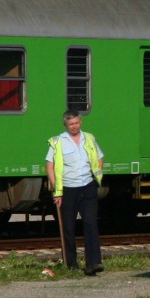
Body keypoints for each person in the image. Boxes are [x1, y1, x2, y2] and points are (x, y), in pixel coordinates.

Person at [45, 110, 105, 275]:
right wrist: (56, 190)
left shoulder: (89, 138)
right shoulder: (58, 142)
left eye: (77, 123)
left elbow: (100, 157)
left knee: (91, 224)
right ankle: (71, 264)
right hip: (68, 190)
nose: (74, 126)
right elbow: (49, 165)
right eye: (71, 124)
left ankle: (94, 263)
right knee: (69, 228)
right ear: (66, 125)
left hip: (87, 187)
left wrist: (96, 172)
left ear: (81, 122)